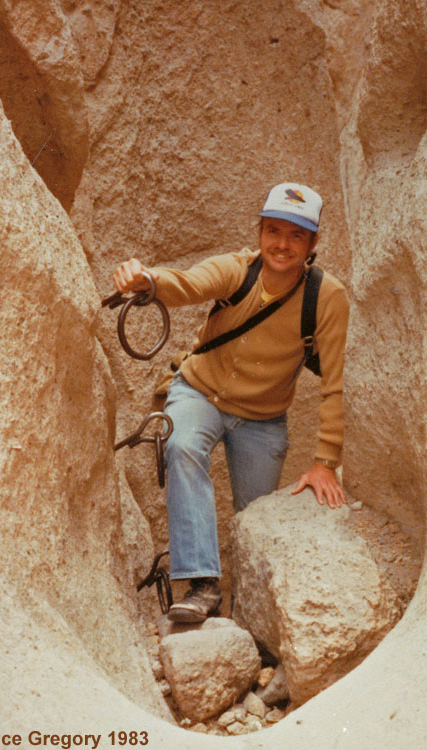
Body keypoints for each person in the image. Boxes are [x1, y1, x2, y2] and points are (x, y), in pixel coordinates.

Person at [113, 182, 349, 623]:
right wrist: (147, 279)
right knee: (182, 445)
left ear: (313, 243)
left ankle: (249, 616)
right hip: (199, 392)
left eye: (296, 235)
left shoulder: (327, 297)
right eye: (274, 231)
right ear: (260, 232)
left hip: (262, 418)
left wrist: (325, 462)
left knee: (255, 520)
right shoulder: (238, 270)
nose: (282, 244)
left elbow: (336, 383)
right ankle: (203, 585)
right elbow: (186, 284)